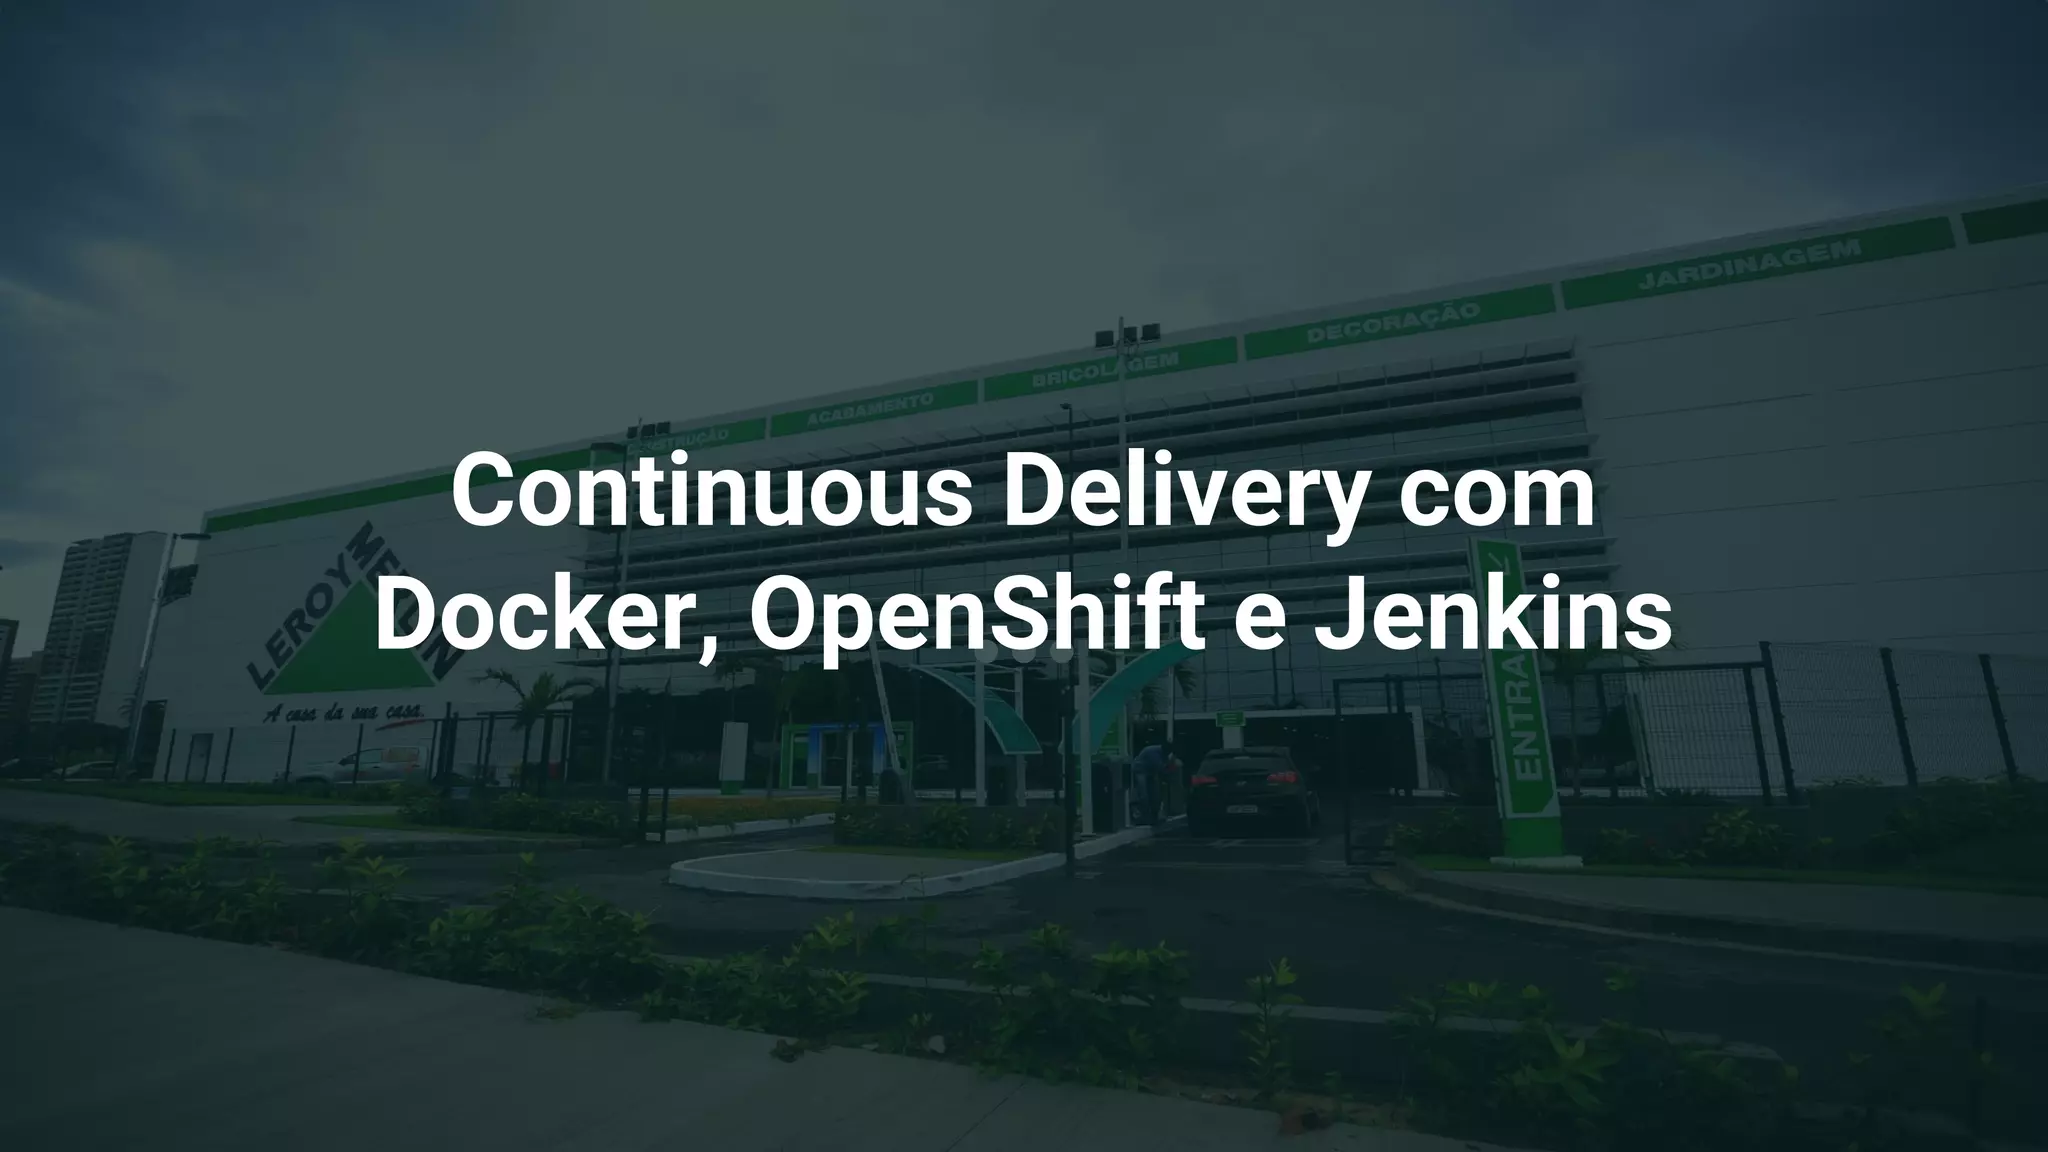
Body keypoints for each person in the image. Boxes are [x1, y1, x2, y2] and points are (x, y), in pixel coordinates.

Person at [1130, 742, 1170, 826]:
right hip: (1140, 770)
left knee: (1154, 793)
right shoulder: (1153, 753)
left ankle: (1152, 815)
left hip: (1149, 771)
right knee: (1143, 794)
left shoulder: (1163, 753)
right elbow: (1160, 768)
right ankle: (1144, 816)